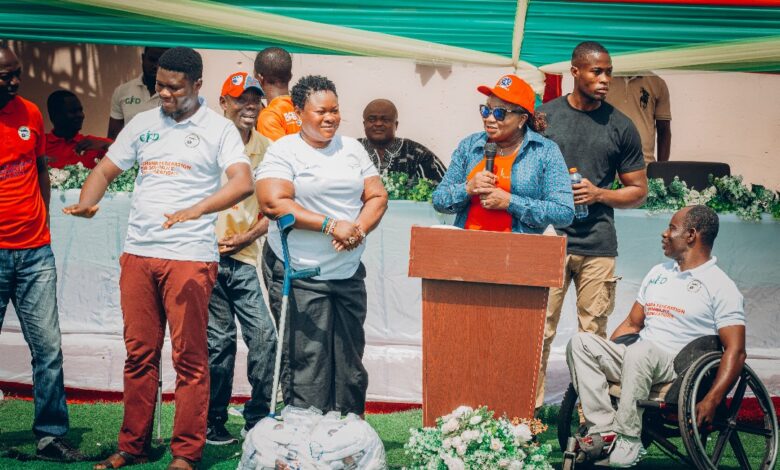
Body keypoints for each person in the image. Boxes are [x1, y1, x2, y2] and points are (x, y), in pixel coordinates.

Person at [64, 47, 253, 470]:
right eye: (159, 86)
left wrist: (197, 209)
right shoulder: (143, 124)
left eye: (174, 88)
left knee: (189, 358)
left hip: (189, 257)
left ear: (197, 85)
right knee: (139, 355)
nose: (164, 94)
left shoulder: (219, 129)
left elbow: (242, 182)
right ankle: (132, 447)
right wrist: (89, 201)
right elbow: (105, 169)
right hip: (138, 254)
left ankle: (186, 453)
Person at [567, 205, 745, 467]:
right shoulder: (658, 273)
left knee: (642, 351)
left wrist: (713, 399)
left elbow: (736, 351)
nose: (664, 234)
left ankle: (629, 437)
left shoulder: (721, 286)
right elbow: (631, 325)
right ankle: (604, 429)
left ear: (691, 235)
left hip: (679, 368)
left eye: (672, 228)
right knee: (581, 342)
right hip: (638, 357)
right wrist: (608, 361)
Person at [256, 75, 388, 416]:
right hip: (300, 273)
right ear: (299, 112)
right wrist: (331, 225)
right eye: (321, 112)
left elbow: (377, 195)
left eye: (335, 110)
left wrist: (357, 229)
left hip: (346, 273)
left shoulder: (352, 149)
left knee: (350, 361)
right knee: (307, 360)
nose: (330, 118)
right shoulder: (284, 150)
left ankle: (347, 430)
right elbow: (273, 202)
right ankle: (305, 433)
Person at [535, 42, 648, 409]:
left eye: (608, 72)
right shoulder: (545, 118)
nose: (605, 79)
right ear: (575, 72)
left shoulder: (621, 126)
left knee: (593, 337)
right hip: (548, 242)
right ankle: (528, 415)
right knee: (538, 331)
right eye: (596, 71)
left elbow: (638, 191)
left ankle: (591, 418)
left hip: (598, 244)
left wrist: (600, 193)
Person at [0, 45, 84, 463]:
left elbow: (40, 171)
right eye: (6, 76)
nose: (15, 81)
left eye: (16, 73)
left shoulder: (30, 113)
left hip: (35, 252)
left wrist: (43, 221)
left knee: (48, 347)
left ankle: (51, 435)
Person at [205, 71, 276, 445]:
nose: (249, 105)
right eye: (240, 99)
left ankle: (258, 417)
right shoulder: (205, 141)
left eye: (254, 99)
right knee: (219, 344)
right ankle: (213, 421)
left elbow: (275, 206)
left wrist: (247, 236)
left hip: (246, 259)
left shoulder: (268, 148)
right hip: (205, 258)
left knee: (264, 337)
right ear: (223, 103)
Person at [432, 74, 574, 233]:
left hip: (517, 247)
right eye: (486, 110)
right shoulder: (470, 146)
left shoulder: (545, 151)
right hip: (467, 245)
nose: (489, 119)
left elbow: (564, 212)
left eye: (500, 113)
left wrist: (510, 202)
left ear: (522, 119)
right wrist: (467, 188)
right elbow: (438, 200)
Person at [358, 98, 446, 182]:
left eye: (385, 120)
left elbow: (446, 187)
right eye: (372, 119)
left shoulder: (419, 155)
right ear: (364, 124)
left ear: (396, 125)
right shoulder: (352, 150)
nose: (378, 124)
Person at [606, 74, 672, 164]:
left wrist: (661, 168)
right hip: (607, 163)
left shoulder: (657, 83)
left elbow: (663, 130)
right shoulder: (604, 81)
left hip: (644, 164)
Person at [107, 46, 168, 140]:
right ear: (143, 58)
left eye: (162, 62)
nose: (156, 66)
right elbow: (112, 138)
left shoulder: (177, 95)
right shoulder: (122, 91)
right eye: (152, 60)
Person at [45, 89, 112, 169]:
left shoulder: (92, 143)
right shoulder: (40, 144)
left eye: (80, 110)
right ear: (54, 116)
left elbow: (124, 150)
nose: (81, 115)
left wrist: (105, 145)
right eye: (73, 111)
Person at [253, 47, 301, 141]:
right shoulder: (305, 109)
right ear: (290, 76)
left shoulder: (268, 117)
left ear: (259, 79)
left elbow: (281, 151)